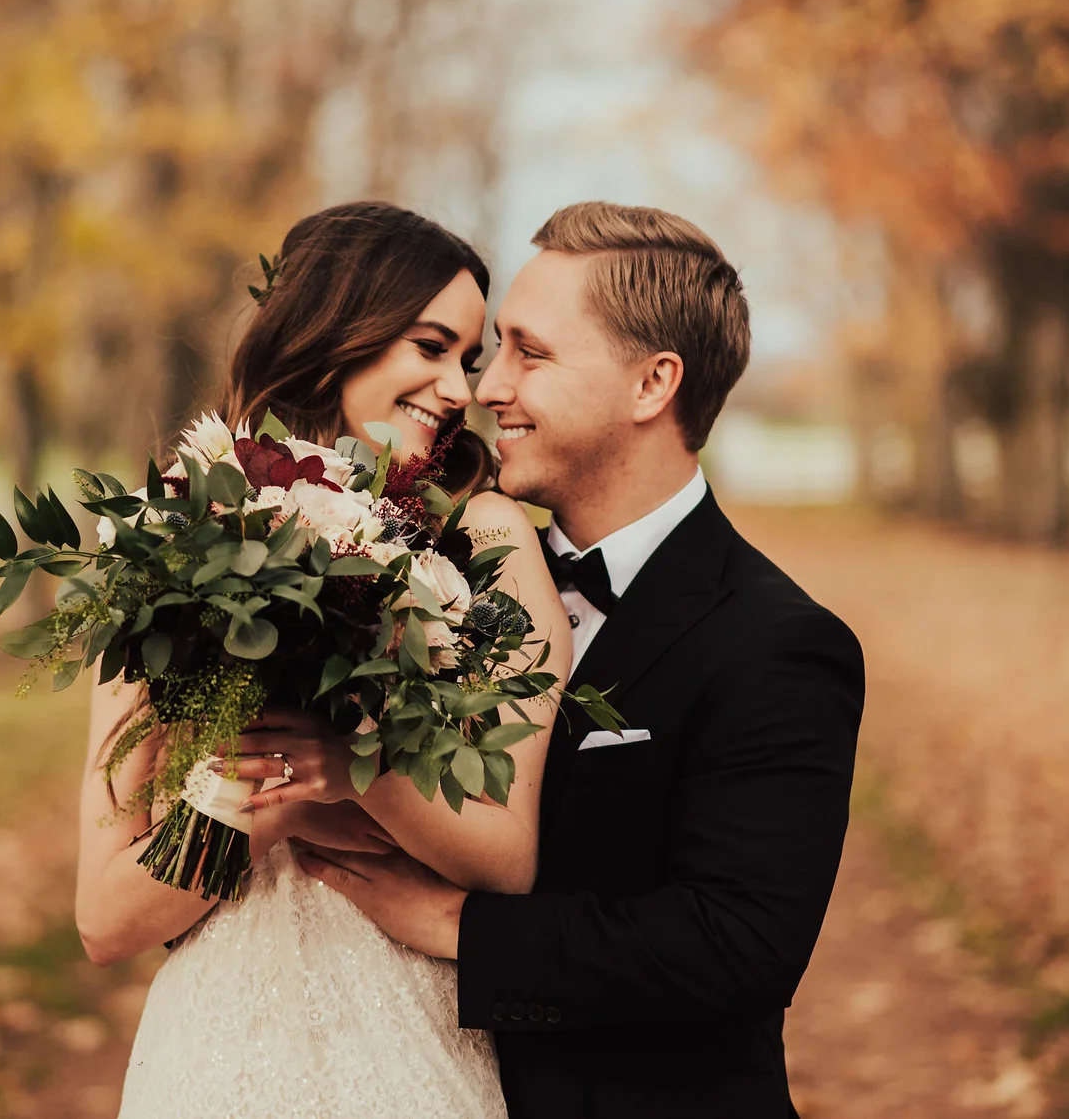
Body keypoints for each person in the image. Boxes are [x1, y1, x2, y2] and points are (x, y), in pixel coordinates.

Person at [297, 201, 865, 1119]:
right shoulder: (438, 572)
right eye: (496, 352)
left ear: (653, 385)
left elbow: (736, 944)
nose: (485, 389)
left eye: (532, 353)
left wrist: (460, 927)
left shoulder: (778, 641)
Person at [75, 202, 571, 1118]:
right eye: (431, 348)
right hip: (216, 1055)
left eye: (467, 360)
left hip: (409, 1044)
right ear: (339, 334)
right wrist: (252, 807)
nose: (459, 389)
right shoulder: (173, 548)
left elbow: (507, 857)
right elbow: (105, 919)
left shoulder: (488, 539)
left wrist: (345, 771)